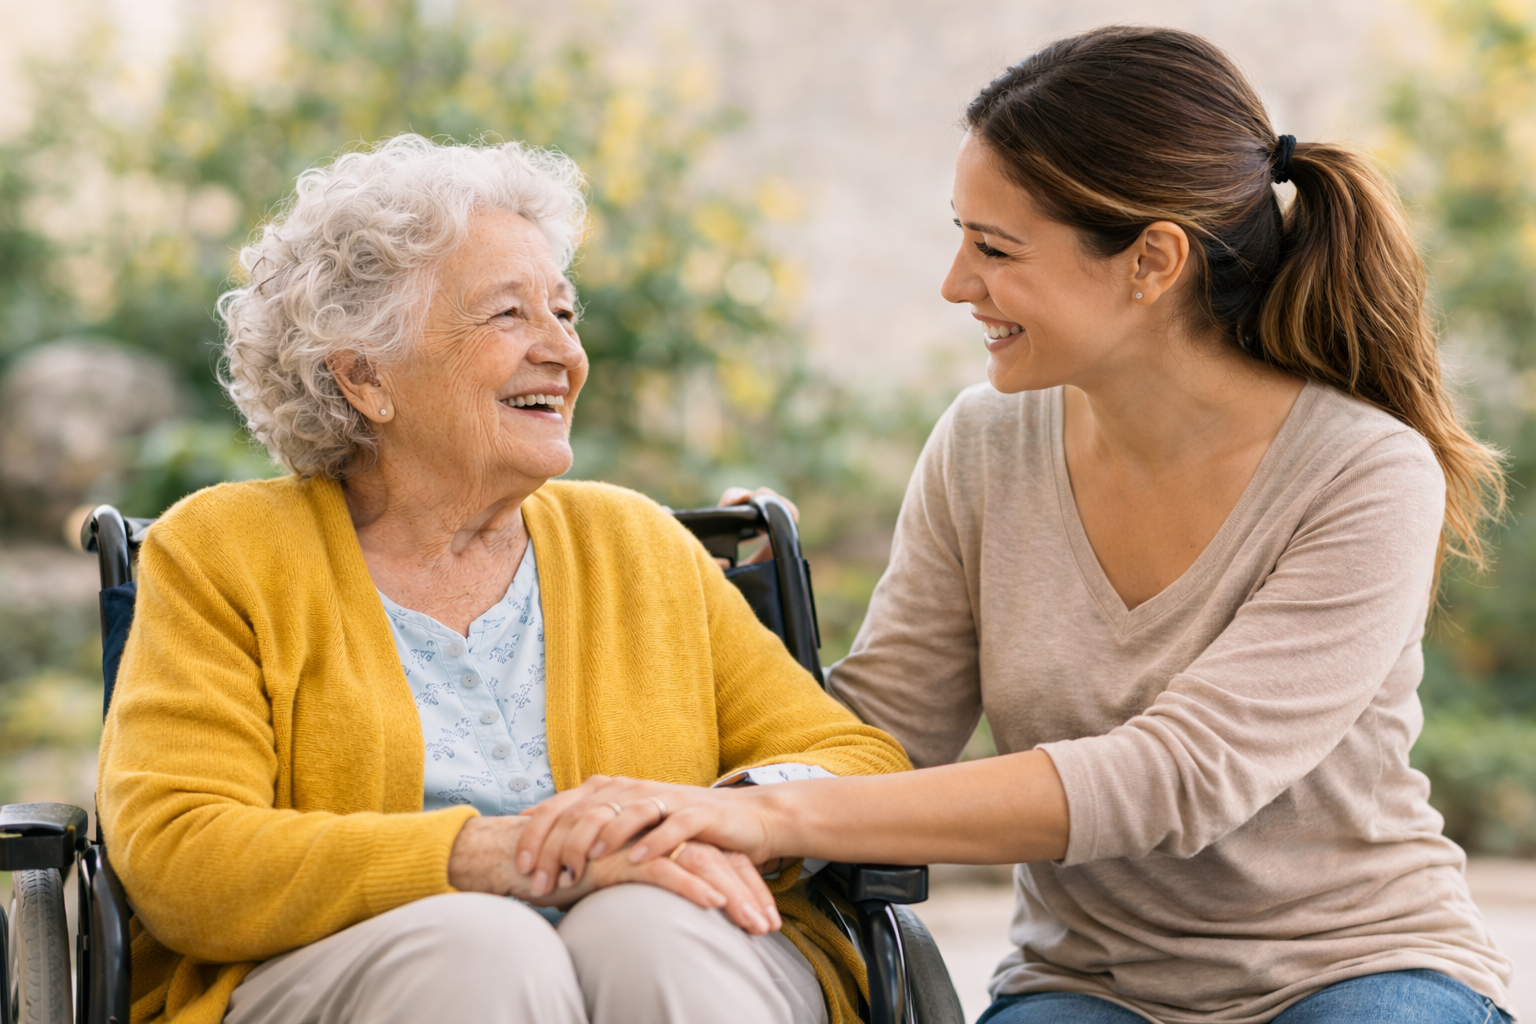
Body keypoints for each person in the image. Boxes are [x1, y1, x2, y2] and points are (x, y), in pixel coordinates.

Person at [514, 26, 1515, 1024]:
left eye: (994, 248)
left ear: (1151, 261)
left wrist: (766, 810)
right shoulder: (988, 442)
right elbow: (892, 732)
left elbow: (1180, 776)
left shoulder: (1365, 470)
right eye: (961, 235)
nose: (957, 282)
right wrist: (714, 748)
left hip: (1357, 970)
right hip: (1090, 985)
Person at [95, 134, 911, 1024]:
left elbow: (857, 762)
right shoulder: (226, 551)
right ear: (364, 375)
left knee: (647, 926)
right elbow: (182, 854)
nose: (561, 350)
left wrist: (711, 817)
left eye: (565, 313)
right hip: (354, 973)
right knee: (484, 945)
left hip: (678, 955)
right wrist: (494, 857)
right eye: (509, 315)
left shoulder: (636, 544)